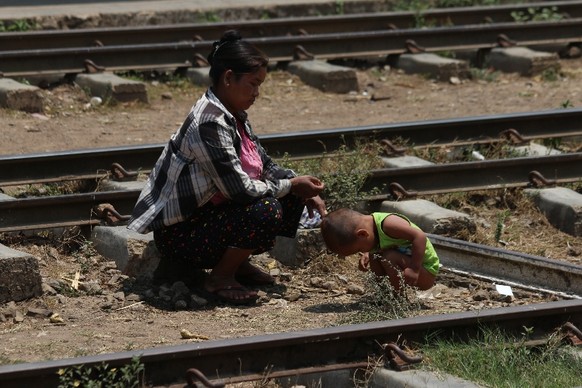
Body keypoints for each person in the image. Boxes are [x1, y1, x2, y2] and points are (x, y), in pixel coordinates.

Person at [127, 30, 326, 305]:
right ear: (229, 77)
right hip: (181, 236)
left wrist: (300, 186)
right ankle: (219, 277)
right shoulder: (210, 122)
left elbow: (264, 163)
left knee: (288, 195)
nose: (257, 93)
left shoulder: (232, 114)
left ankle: (236, 264)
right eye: (253, 84)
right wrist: (291, 186)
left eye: (260, 86)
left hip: (209, 220)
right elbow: (238, 190)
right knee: (267, 208)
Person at [320, 208, 439, 291]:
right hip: (410, 268)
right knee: (374, 255)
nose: (360, 252)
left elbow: (419, 236)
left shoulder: (388, 224)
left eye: (359, 249)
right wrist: (367, 252)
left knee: (389, 257)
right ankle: (383, 294)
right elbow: (376, 245)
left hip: (425, 271)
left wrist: (414, 269)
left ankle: (398, 299)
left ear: (362, 234)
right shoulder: (371, 230)